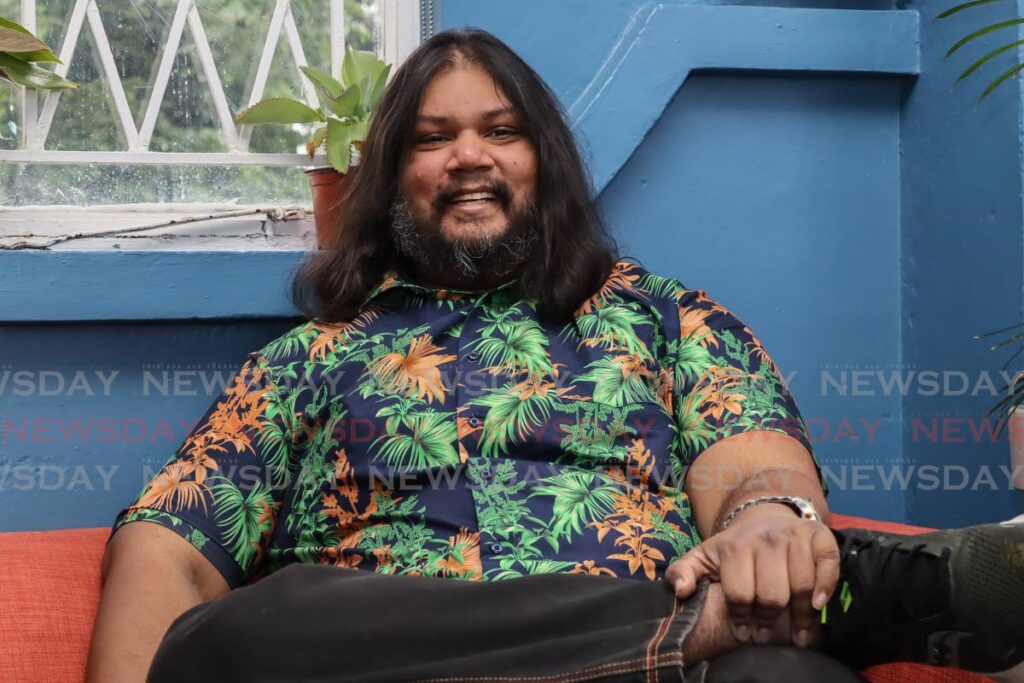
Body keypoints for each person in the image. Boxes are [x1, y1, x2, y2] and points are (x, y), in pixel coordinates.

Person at [87, 27, 1024, 683]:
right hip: (396, 668)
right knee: (235, 641)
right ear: (389, 176)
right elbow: (165, 549)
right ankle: (730, 620)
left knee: (784, 673)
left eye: (501, 131)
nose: (469, 156)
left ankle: (721, 631)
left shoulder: (662, 318)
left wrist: (772, 518)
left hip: (668, 681)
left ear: (544, 163)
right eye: (432, 138)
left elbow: (755, 467)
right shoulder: (304, 362)